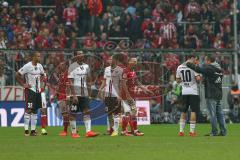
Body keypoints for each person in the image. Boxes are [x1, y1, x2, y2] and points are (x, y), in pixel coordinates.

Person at [186, 55, 227, 136]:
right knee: (220, 113)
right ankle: (223, 131)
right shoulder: (219, 68)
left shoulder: (210, 68)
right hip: (218, 93)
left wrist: (189, 64)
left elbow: (199, 69)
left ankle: (214, 132)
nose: (204, 62)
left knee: (212, 114)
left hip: (211, 94)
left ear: (208, 61)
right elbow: (214, 79)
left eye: (205, 60)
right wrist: (206, 79)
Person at [68, 51, 99, 138]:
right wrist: (73, 95)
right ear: (75, 56)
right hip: (76, 94)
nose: (81, 55)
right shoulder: (72, 67)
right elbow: (70, 82)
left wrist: (89, 94)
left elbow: (88, 80)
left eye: (82, 53)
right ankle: (74, 133)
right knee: (73, 113)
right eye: (79, 54)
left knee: (87, 111)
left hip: (84, 93)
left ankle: (88, 132)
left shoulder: (86, 66)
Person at [121, 57, 154, 136]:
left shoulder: (132, 71)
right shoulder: (125, 71)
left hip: (130, 95)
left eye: (136, 61)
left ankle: (127, 131)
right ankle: (134, 131)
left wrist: (145, 89)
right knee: (131, 112)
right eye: (133, 61)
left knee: (129, 113)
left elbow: (137, 82)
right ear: (129, 62)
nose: (135, 62)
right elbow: (123, 84)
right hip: (126, 95)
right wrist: (128, 95)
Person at [16, 52, 45, 136]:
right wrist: (23, 84)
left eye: (40, 56)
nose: (39, 57)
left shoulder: (40, 66)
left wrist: (43, 81)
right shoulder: (27, 66)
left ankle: (33, 131)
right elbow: (17, 75)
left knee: (35, 110)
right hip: (30, 90)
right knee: (29, 109)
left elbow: (43, 74)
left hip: (38, 90)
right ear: (33, 57)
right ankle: (26, 131)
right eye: (38, 56)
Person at [176, 55, 201, 137]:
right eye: (196, 59)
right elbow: (198, 79)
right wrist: (200, 77)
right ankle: (191, 132)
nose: (196, 61)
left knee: (183, 111)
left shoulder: (179, 67)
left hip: (184, 91)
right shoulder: (194, 67)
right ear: (192, 58)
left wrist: (184, 81)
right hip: (193, 91)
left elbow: (178, 80)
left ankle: (181, 131)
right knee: (193, 111)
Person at [98, 55, 123, 136]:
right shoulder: (106, 69)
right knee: (108, 113)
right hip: (107, 94)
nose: (109, 60)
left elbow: (121, 84)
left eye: (111, 59)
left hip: (116, 95)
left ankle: (116, 130)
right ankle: (110, 129)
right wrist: (100, 89)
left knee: (116, 113)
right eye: (108, 59)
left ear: (115, 60)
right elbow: (104, 81)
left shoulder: (120, 70)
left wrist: (120, 95)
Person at [57, 62, 71, 136]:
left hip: (64, 96)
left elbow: (68, 86)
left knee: (65, 113)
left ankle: (65, 131)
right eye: (60, 64)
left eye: (62, 65)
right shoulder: (60, 74)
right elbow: (59, 86)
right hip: (60, 96)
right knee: (65, 114)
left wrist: (68, 96)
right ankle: (73, 128)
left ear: (66, 66)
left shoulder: (67, 75)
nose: (60, 65)